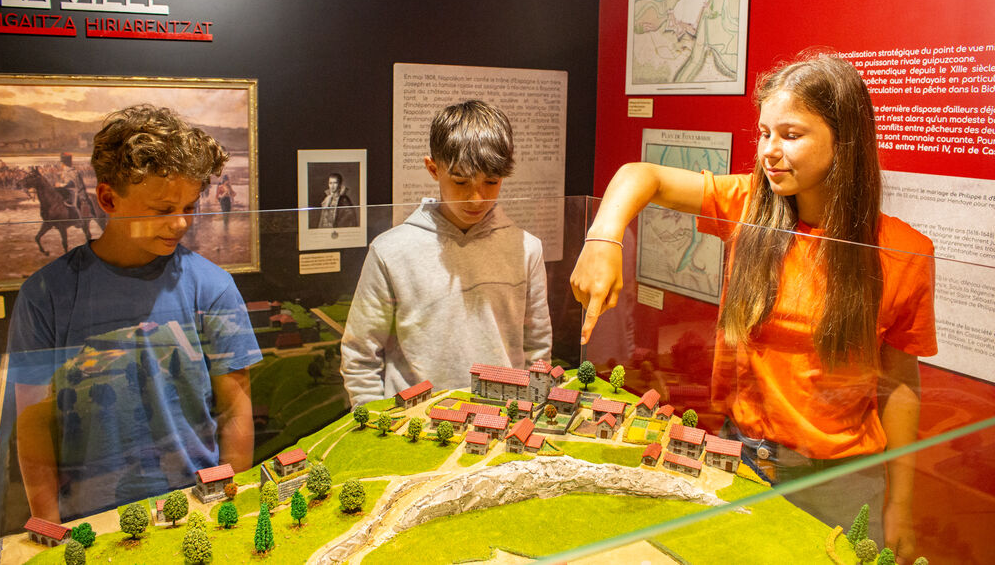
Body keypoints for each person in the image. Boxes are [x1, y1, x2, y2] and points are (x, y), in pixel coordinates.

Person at [570, 52, 935, 563]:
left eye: (790, 134)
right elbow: (640, 174)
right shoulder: (749, 206)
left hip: (841, 479)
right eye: (764, 133)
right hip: (742, 455)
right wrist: (603, 237)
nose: (769, 151)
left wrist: (901, 502)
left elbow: (898, 383)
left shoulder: (901, 250)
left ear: (843, 139)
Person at [8, 104, 262, 523]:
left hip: (198, 505)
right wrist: (48, 527)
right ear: (108, 197)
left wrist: (232, 510)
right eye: (163, 210)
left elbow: (235, 411)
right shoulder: (45, 294)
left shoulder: (213, 286)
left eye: (190, 206)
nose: (181, 224)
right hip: (89, 514)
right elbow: (33, 425)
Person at [341, 100, 553, 406]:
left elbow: (537, 346)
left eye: (491, 182)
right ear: (432, 168)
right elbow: (361, 354)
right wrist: (378, 424)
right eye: (461, 181)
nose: (477, 198)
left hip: (503, 417)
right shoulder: (390, 251)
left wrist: (530, 405)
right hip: (413, 425)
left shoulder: (527, 248)